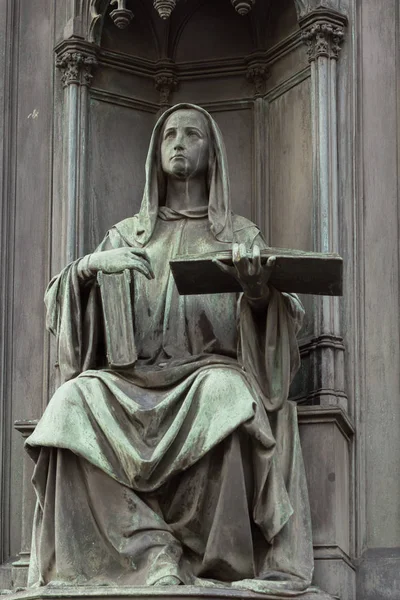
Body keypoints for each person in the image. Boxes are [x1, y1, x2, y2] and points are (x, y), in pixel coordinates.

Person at [26, 104, 315, 596]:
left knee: (227, 396)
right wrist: (89, 267)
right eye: (170, 136)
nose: (179, 143)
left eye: (192, 135)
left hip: (204, 375)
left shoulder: (238, 236)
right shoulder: (127, 234)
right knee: (69, 404)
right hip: (130, 382)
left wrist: (258, 293)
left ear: (212, 153)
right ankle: (146, 550)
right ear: (155, 154)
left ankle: (215, 561)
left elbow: (283, 327)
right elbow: (62, 306)